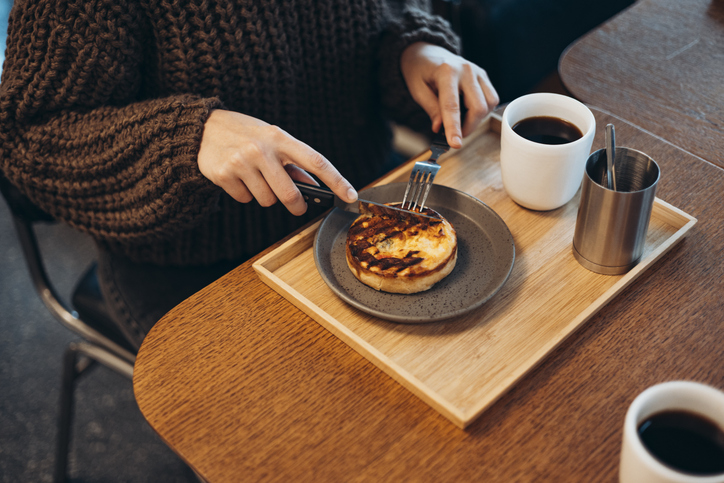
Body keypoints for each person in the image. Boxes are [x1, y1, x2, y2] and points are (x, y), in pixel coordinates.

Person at [0, 0, 498, 349]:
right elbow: (27, 138)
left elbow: (377, 20)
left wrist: (411, 53)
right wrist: (188, 140)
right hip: (195, 268)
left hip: (359, 210)